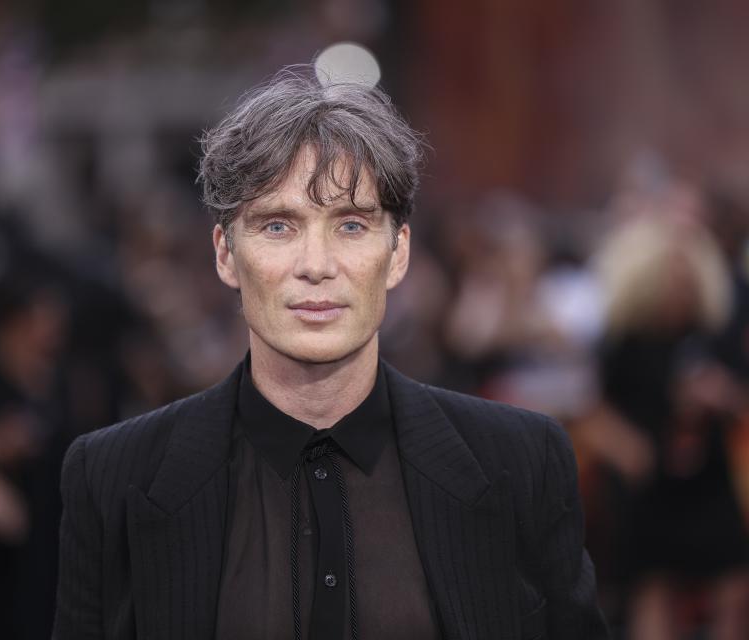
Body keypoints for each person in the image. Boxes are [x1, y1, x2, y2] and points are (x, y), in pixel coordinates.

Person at [53, 67, 608, 640]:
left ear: (397, 253)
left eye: (350, 225)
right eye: (277, 226)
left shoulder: (519, 461)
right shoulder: (113, 478)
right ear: (224, 254)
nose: (316, 265)